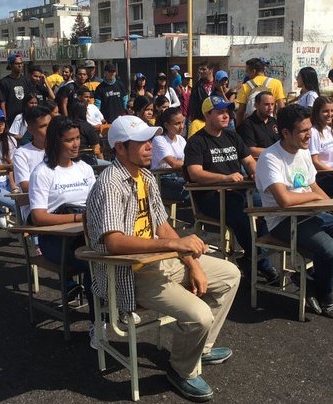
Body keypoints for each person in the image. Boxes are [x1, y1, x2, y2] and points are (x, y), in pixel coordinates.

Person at [86, 114, 240, 402]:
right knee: (200, 315)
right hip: (129, 272)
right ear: (120, 148)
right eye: (141, 141)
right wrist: (174, 245)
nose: (149, 145)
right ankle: (182, 370)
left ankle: (200, 349)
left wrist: (191, 261)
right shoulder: (109, 183)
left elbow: (162, 224)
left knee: (230, 274)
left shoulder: (144, 176)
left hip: (161, 259)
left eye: (149, 139)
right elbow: (114, 242)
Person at [255, 104, 333, 318]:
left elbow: (314, 186)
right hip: (285, 222)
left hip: (314, 215)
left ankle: (311, 276)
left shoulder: (302, 153)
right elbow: (284, 200)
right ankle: (326, 296)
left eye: (310, 128)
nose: (309, 135)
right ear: (285, 133)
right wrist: (314, 197)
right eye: (303, 131)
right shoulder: (270, 158)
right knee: (330, 250)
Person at [184, 95, 279, 282]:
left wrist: (255, 173)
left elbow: (249, 161)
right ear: (207, 115)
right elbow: (195, 173)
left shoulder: (232, 136)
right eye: (219, 112)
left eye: (226, 112)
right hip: (212, 197)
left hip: (240, 191)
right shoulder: (197, 142)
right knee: (243, 216)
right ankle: (261, 263)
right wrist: (224, 178)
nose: (225, 115)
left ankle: (251, 257)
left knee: (274, 206)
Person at [29, 116, 97, 346]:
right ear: (56, 142)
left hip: (84, 234)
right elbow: (38, 217)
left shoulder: (85, 168)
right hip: (55, 241)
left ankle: (116, 312)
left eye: (77, 138)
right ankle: (99, 323)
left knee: (112, 255)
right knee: (94, 262)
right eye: (69, 140)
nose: (76, 144)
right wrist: (79, 217)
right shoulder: (43, 172)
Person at [13, 105, 52, 222]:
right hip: (37, 209)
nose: (48, 130)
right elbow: (25, 186)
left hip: (65, 204)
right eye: (43, 126)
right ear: (30, 129)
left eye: (50, 125)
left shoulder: (61, 148)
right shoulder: (22, 154)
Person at [235, 57, 286, 125]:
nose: (247, 74)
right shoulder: (276, 83)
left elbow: (240, 112)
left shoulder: (246, 86)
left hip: (251, 125)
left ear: (253, 71)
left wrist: (238, 128)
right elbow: (281, 107)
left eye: (247, 71)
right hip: (269, 124)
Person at [152, 107, 189, 201]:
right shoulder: (159, 140)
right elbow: (173, 163)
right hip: (162, 180)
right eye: (177, 123)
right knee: (190, 191)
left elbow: (188, 159)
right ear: (166, 125)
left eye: (182, 122)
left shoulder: (181, 139)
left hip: (180, 176)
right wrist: (193, 165)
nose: (182, 126)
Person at [236, 91, 280, 158]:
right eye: (266, 104)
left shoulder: (274, 122)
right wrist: (276, 152)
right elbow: (251, 150)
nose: (270, 107)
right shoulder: (248, 124)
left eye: (272, 104)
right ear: (256, 105)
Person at [0, 53, 32, 125]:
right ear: (11, 65)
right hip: (11, 119)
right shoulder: (4, 82)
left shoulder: (25, 80)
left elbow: (29, 99)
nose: (20, 65)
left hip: (24, 118)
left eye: (21, 63)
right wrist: (4, 119)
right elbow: (2, 102)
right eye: (17, 63)